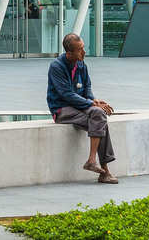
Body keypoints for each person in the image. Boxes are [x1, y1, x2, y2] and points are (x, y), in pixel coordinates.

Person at [46, 33, 118, 184]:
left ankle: (94, 163)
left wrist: (93, 99)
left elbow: (87, 87)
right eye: (80, 50)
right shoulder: (56, 67)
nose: (84, 52)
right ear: (69, 53)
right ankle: (102, 170)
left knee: (99, 116)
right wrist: (91, 104)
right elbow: (66, 95)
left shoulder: (81, 65)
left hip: (79, 106)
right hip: (62, 110)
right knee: (99, 118)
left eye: (83, 48)